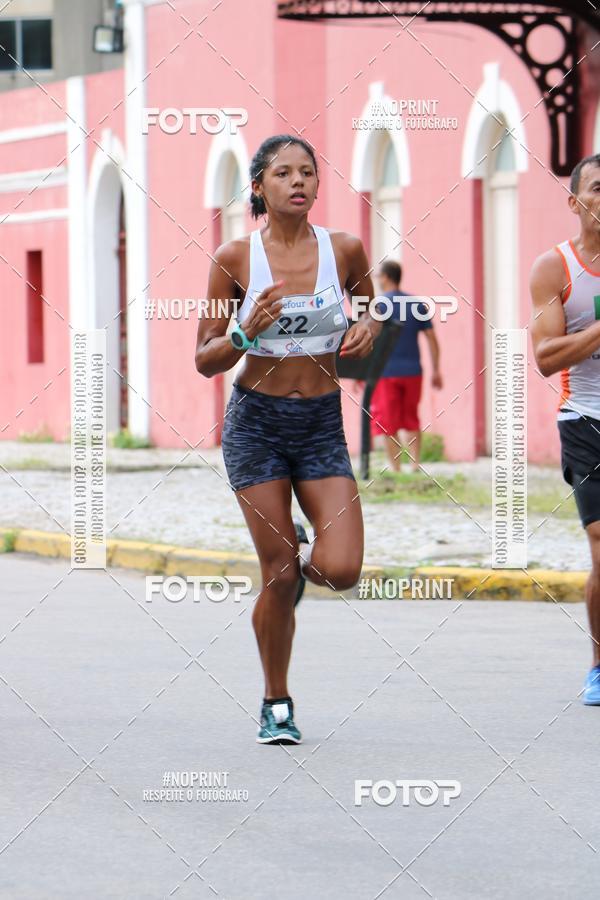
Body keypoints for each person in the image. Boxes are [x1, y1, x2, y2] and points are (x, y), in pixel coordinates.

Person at [195, 134, 381, 743]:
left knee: (342, 569)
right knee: (278, 573)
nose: (297, 181)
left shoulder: (345, 249)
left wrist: (368, 327)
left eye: (307, 172)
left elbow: (371, 307)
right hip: (257, 426)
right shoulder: (235, 258)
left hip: (321, 422)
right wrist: (244, 333)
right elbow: (205, 358)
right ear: (259, 186)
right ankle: (276, 702)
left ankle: (294, 555)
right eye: (283, 173)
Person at [530, 152, 600, 706]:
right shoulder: (554, 268)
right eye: (598, 187)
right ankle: (599, 666)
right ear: (575, 201)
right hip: (586, 418)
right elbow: (546, 357)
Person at [369, 260, 442, 472]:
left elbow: (370, 339)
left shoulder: (378, 305)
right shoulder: (416, 304)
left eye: (378, 276)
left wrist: (361, 372)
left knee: (386, 422)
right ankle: (415, 465)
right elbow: (432, 339)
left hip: (385, 373)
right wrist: (436, 369)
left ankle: (396, 469)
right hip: (413, 372)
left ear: (385, 277)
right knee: (411, 419)